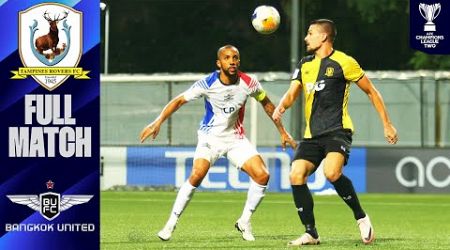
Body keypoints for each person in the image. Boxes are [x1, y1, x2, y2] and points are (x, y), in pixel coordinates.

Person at [140, 45, 296, 242]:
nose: (232, 61)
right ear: (219, 63)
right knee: (197, 175)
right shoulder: (208, 83)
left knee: (262, 175)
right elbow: (179, 100)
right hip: (209, 139)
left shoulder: (249, 82)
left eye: (236, 58)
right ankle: (170, 223)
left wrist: (282, 131)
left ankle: (244, 221)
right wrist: (157, 122)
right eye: (227, 57)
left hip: (235, 139)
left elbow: (266, 103)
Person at [272, 19, 398, 246]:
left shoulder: (344, 62)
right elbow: (292, 93)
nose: (306, 38)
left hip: (337, 130)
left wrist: (387, 124)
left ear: (323, 37)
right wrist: (282, 106)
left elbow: (372, 91)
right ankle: (311, 233)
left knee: (332, 173)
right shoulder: (304, 64)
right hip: (312, 135)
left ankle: (361, 217)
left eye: (310, 33)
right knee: (296, 174)